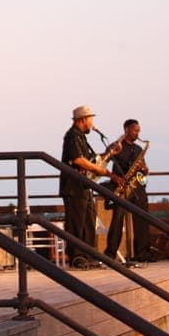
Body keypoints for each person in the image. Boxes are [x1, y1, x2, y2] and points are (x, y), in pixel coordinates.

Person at [60, 105, 122, 269]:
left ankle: (88, 255)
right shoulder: (72, 136)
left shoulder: (81, 137)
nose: (92, 123)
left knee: (88, 221)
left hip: (84, 186)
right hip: (73, 186)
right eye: (90, 119)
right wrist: (101, 170)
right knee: (76, 222)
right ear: (82, 120)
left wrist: (109, 153)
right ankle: (77, 257)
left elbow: (90, 159)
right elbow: (78, 160)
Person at [103, 119, 152, 264]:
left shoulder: (138, 149)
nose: (138, 133)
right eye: (135, 130)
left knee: (142, 218)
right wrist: (115, 178)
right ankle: (110, 253)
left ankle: (143, 253)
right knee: (117, 219)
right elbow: (104, 159)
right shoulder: (117, 146)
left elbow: (143, 172)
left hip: (136, 187)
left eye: (139, 131)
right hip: (121, 187)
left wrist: (144, 170)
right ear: (127, 130)